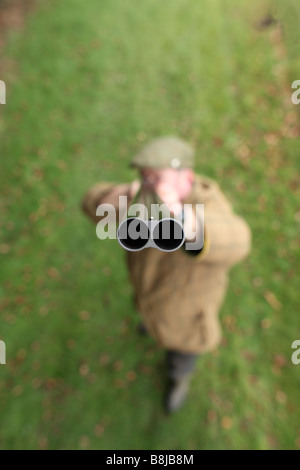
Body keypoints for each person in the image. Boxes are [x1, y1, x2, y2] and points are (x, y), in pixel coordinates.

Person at [82, 136, 251, 413]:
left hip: (187, 321)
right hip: (149, 296)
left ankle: (178, 381)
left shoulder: (207, 203)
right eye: (144, 177)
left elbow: (238, 239)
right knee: (150, 317)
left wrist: (185, 221)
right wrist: (125, 195)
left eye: (157, 178)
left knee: (181, 359)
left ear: (187, 176)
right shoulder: (140, 201)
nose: (150, 186)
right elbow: (91, 202)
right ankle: (150, 325)